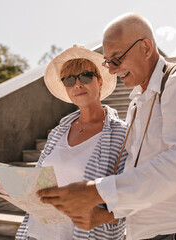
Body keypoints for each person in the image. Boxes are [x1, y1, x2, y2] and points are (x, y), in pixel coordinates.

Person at [37, 13, 176, 240]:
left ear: (146, 48)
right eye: (108, 62)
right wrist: (103, 216)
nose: (111, 70)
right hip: (147, 231)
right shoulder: (137, 103)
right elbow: (138, 175)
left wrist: (95, 191)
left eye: (116, 59)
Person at [13, 45, 128, 240]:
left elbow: (136, 194)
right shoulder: (58, 132)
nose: (77, 84)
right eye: (69, 79)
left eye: (85, 76)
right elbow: (38, 184)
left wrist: (104, 216)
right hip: (38, 234)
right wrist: (7, 187)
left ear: (99, 81)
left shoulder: (122, 134)